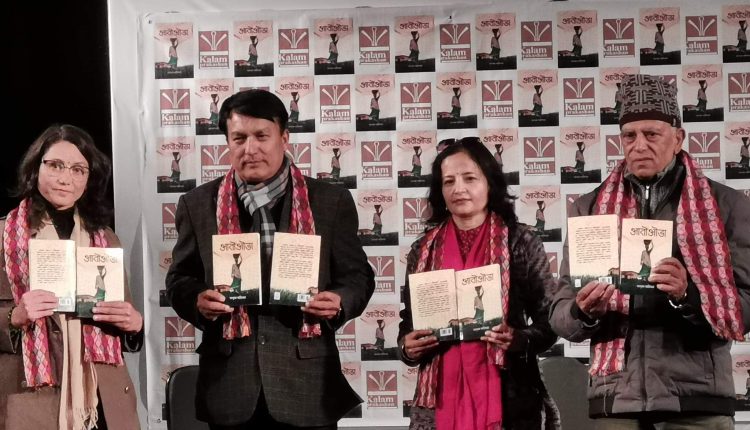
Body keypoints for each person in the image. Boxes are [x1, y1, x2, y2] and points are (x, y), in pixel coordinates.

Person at [550, 74, 750, 429]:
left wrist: (689, 296)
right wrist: (583, 311)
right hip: (616, 402)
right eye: (629, 136)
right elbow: (560, 314)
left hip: (696, 402)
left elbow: (746, 307)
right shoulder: (589, 209)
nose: (639, 145)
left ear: (678, 138)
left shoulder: (727, 206)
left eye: (651, 134)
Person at [166, 89, 375, 429]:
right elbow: (179, 279)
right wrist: (197, 300)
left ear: (284, 137)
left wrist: (339, 300)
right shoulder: (197, 204)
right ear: (228, 142)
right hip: (230, 386)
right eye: (239, 138)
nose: (250, 149)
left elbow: (358, 276)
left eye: (261, 136)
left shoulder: (330, 201)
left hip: (307, 386)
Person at [398, 137, 560, 430]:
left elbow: (551, 322)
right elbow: (408, 324)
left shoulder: (520, 242)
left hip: (510, 397)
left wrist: (518, 338)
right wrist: (407, 347)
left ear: (489, 183)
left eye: (469, 178)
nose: (458, 189)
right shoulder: (422, 250)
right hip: (437, 403)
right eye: (448, 181)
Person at [0, 124, 144, 430]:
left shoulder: (106, 238)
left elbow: (123, 317)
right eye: (55, 165)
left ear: (89, 178)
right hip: (31, 399)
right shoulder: (3, 237)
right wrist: (13, 316)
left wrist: (134, 326)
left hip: (102, 401)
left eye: (78, 169)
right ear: (35, 168)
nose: (66, 178)